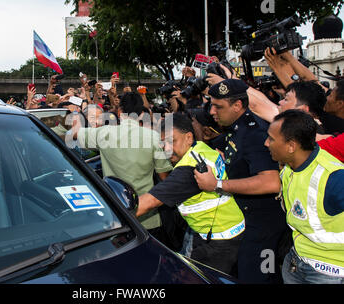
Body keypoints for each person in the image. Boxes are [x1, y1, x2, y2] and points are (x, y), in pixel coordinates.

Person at [194, 78, 287, 284]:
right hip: (249, 222)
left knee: (260, 276)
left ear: (237, 105)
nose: (211, 112)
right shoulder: (237, 128)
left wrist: (216, 185)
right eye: (211, 105)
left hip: (264, 229)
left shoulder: (255, 133)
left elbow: (271, 182)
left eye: (218, 106)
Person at [136, 112, 245, 274]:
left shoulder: (188, 170)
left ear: (188, 137)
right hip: (227, 227)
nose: (166, 149)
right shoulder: (200, 148)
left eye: (171, 141)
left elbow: (147, 203)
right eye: (162, 144)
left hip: (216, 240)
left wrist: (112, 216)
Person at [72, 92, 173, 236]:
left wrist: (76, 115)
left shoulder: (104, 133)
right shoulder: (153, 137)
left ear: (119, 112)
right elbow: (164, 178)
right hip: (148, 216)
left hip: (116, 213)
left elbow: (75, 134)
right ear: (141, 113)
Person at [264, 110, 344, 284]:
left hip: (329, 273)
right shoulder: (290, 167)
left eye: (271, 139)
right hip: (297, 260)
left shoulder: (333, 178)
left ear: (291, 146)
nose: (266, 143)